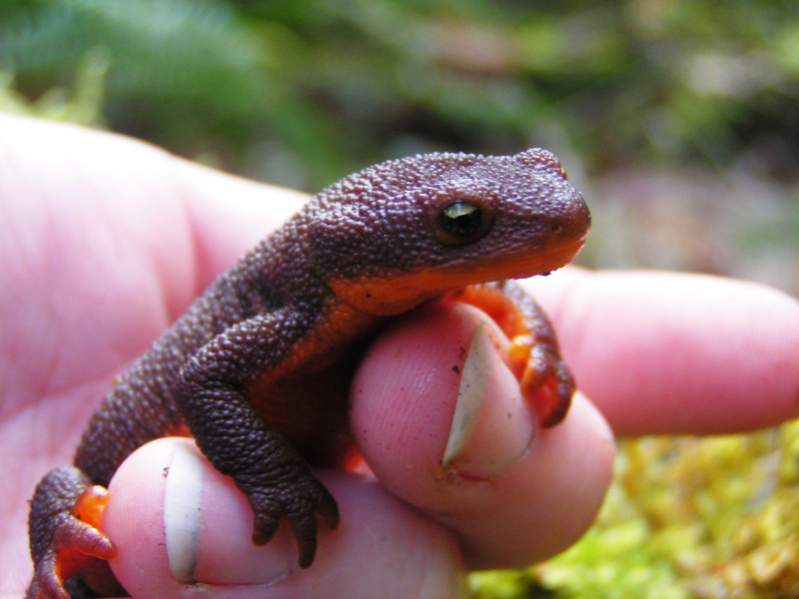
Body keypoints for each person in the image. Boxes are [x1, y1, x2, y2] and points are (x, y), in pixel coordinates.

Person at [3, 114, 797, 598]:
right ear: (367, 250)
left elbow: (496, 294)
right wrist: (271, 474)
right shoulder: (306, 296)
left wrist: (536, 342)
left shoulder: (414, 290)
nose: (558, 218)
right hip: (110, 484)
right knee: (67, 492)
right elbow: (202, 377)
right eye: (463, 221)